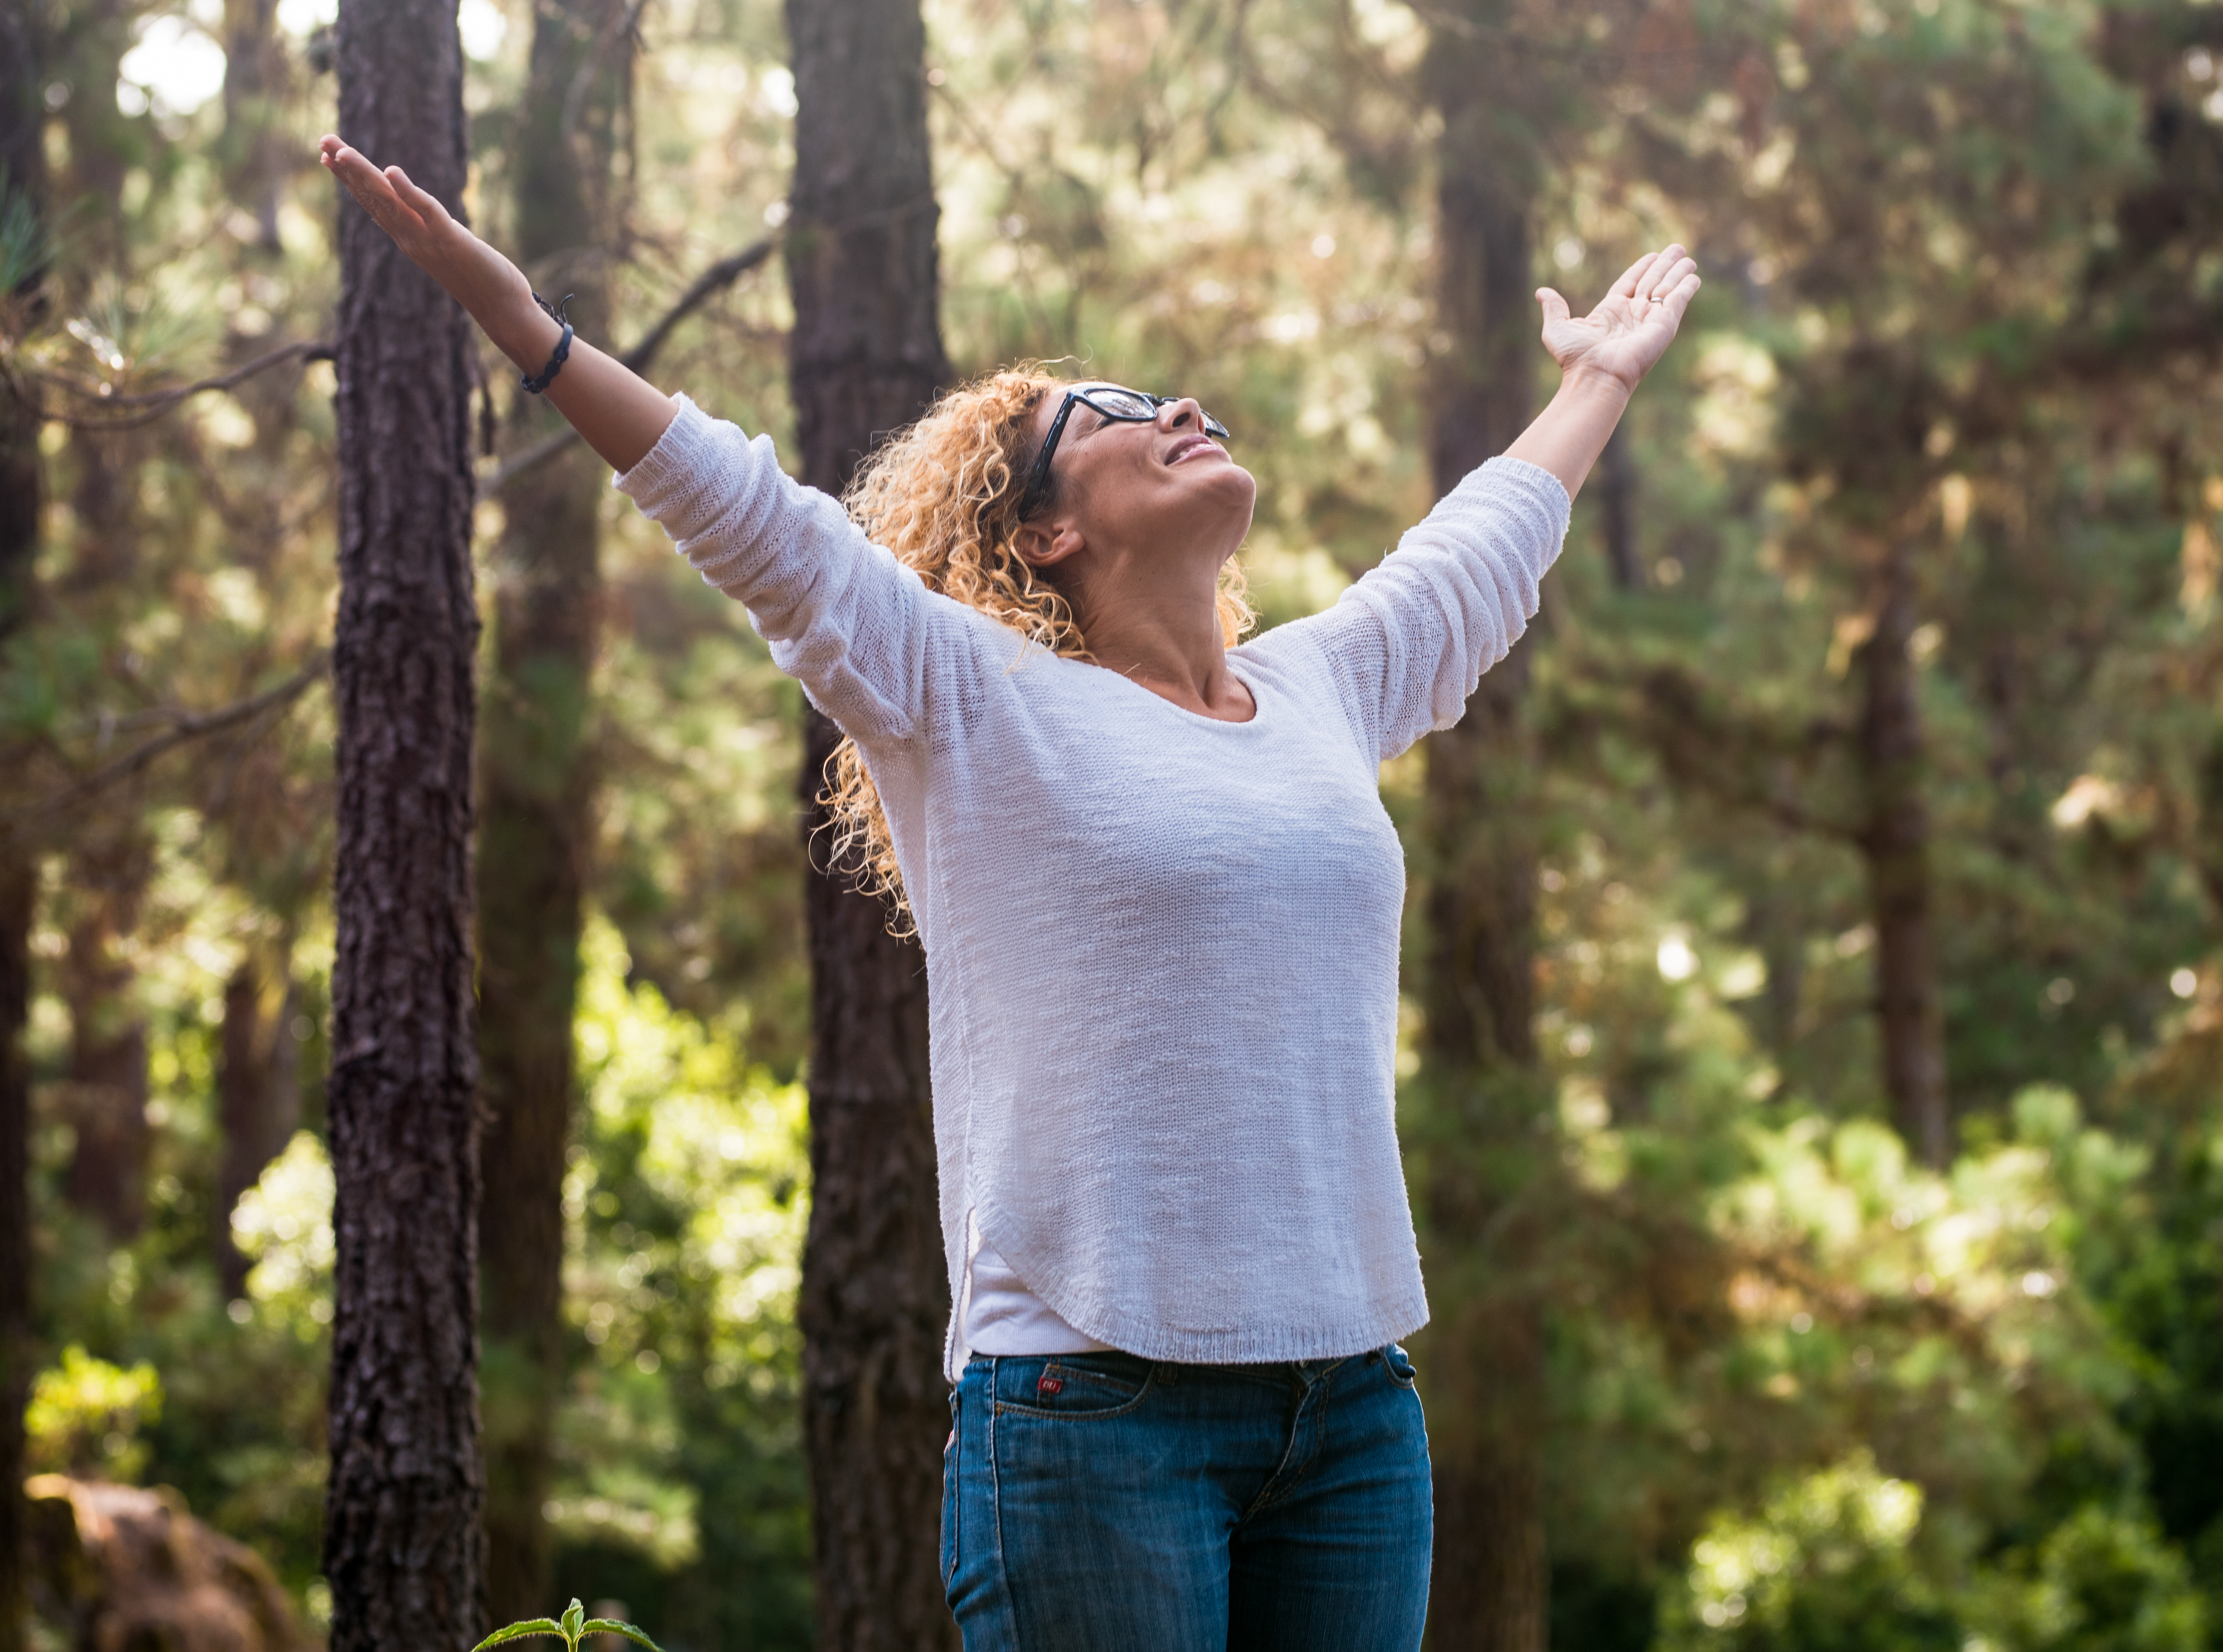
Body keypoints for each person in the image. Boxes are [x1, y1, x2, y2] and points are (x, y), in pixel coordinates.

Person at [320, 132, 1699, 1651]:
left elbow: (1476, 552)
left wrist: (1602, 378)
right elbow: (763, 526)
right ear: (1048, 530)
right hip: (1092, 1419)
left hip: (1354, 1412)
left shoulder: (1323, 687)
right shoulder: (973, 701)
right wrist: (533, 329)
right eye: (1113, 413)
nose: (1181, 408)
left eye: (1178, 398)